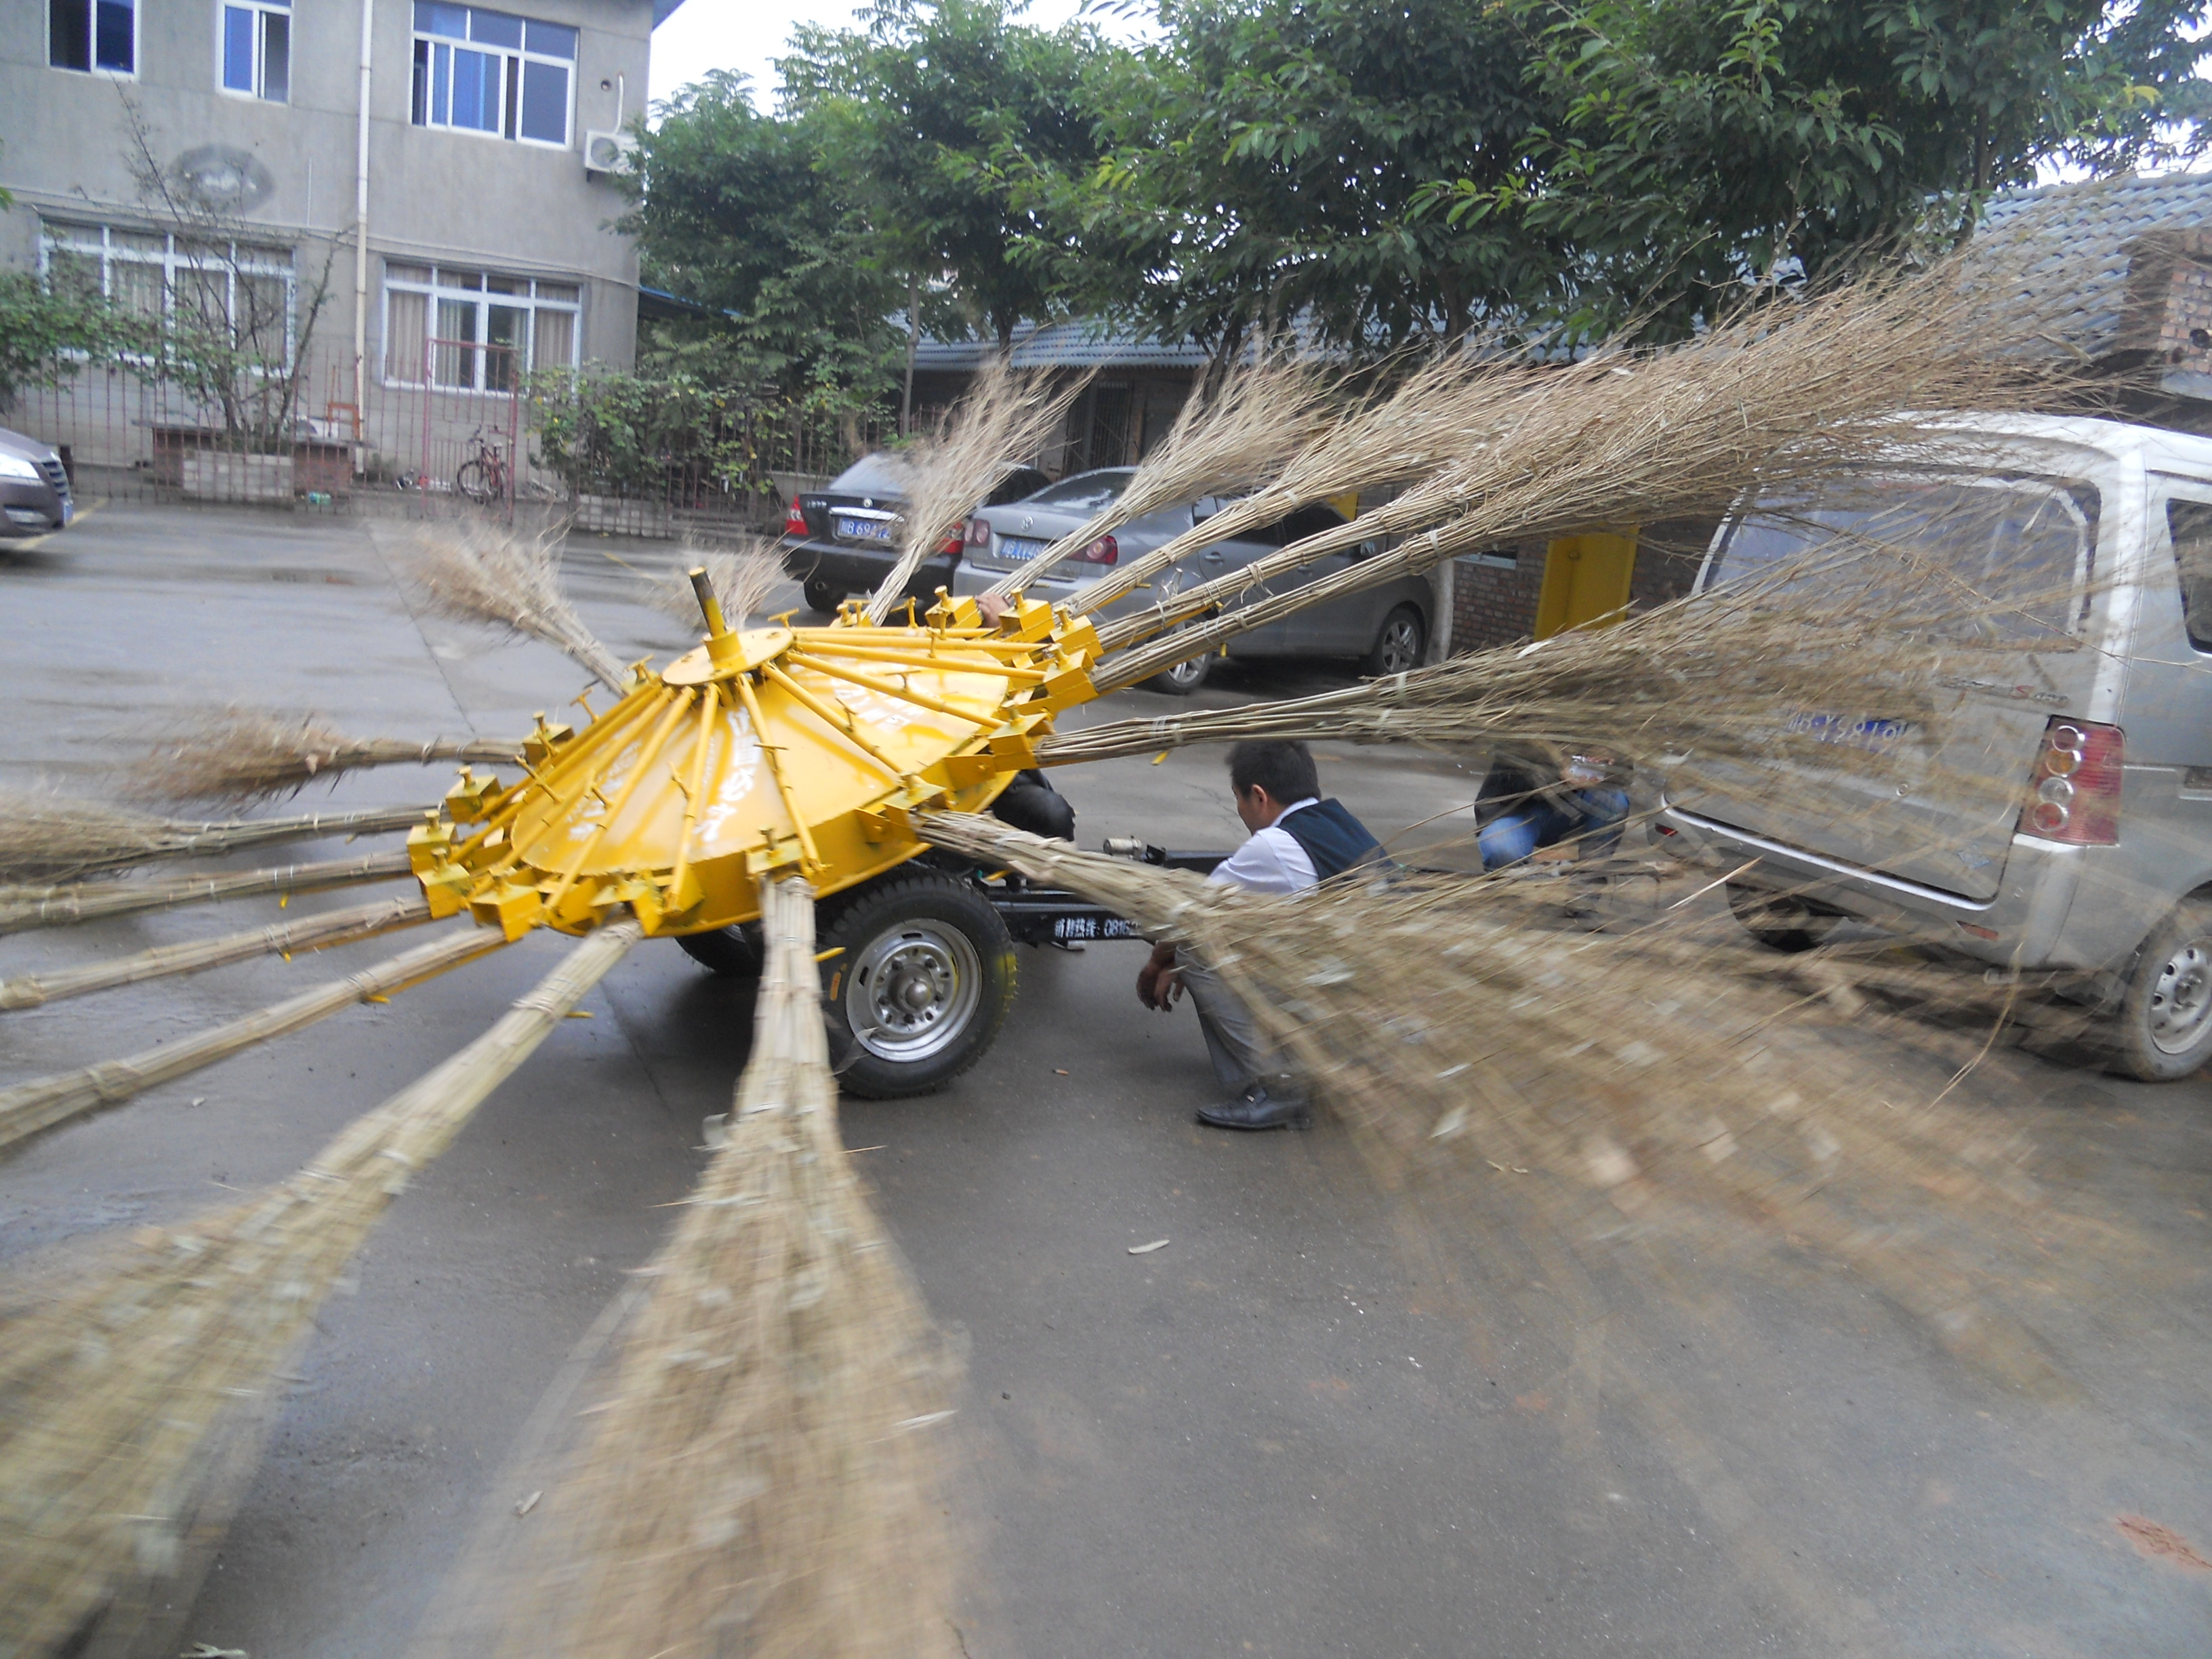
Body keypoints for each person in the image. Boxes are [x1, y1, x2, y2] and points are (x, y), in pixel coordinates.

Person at [1136, 740, 1383, 1130]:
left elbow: (1193, 917)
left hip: (1348, 1005)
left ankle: (1281, 1087)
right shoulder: (1342, 823)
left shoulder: (1275, 847)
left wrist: (1157, 964)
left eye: (1237, 798)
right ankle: (1317, 1067)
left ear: (1259, 796)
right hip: (1374, 1005)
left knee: (1196, 952)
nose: (1239, 811)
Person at [1475, 744, 1630, 871]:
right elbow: (1509, 778)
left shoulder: (1601, 721)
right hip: (1516, 811)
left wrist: (1612, 763)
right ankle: (1512, 889)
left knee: (1614, 801)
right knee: (1502, 851)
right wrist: (1557, 775)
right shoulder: (1526, 726)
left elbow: (1627, 775)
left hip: (1573, 813)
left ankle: (1585, 886)